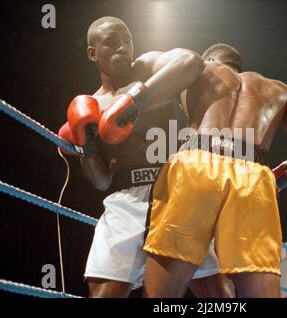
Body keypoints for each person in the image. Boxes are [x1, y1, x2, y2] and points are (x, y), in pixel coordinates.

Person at [58, 19, 233, 298]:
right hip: (126, 201)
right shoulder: (93, 106)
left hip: (174, 193)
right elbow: (101, 180)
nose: (122, 46)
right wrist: (87, 145)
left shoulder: (149, 68)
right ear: (92, 53)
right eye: (111, 41)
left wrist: (136, 100)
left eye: (126, 39)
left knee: (218, 294)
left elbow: (192, 62)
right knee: (104, 292)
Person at [142, 43, 287, 297]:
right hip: (253, 176)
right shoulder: (276, 88)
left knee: (162, 298)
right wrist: (284, 175)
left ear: (210, 58)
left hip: (196, 164)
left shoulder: (198, 68)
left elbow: (150, 76)